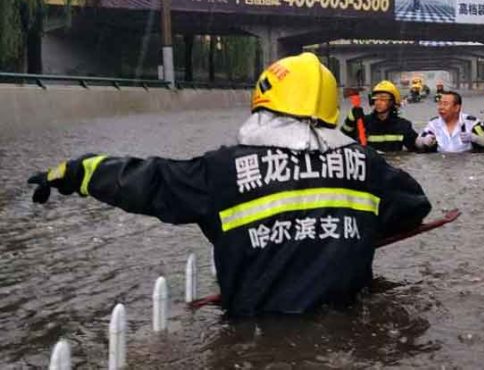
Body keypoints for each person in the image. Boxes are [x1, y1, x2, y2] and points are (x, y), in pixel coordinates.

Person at [27, 52, 432, 317]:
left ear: (262, 104)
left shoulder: (223, 171)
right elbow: (414, 206)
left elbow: (148, 181)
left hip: (253, 326)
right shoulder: (365, 165)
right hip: (350, 320)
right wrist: (351, 233)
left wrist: (79, 172)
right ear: (329, 110)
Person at [340, 80, 418, 152]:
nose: (378, 102)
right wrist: (350, 119)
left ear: (393, 102)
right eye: (376, 98)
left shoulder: (403, 126)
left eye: (383, 98)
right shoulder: (363, 122)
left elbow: (417, 148)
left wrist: (427, 142)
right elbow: (342, 139)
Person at [415, 91, 483, 153]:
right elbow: (418, 141)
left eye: (445, 104)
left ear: (457, 108)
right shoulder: (434, 124)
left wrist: (474, 138)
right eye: (439, 104)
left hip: (465, 160)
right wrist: (423, 141)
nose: (441, 107)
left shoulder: (471, 122)